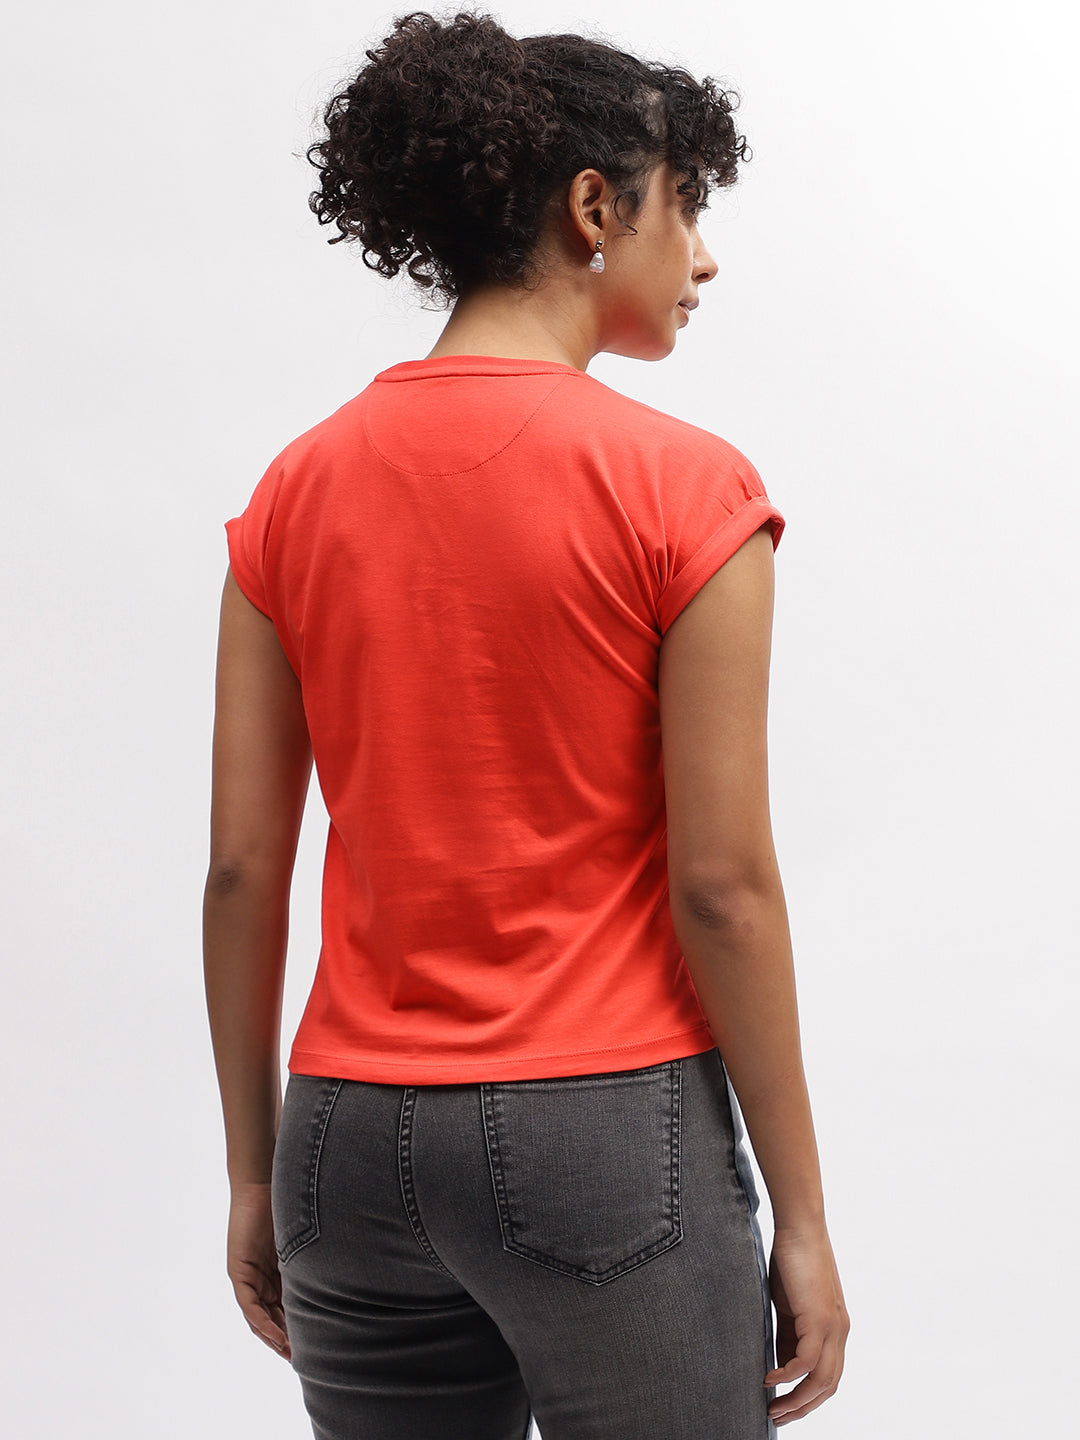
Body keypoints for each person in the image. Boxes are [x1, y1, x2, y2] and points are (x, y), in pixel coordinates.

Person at [203, 10, 849, 1438]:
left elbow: (243, 869)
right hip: (602, 1131)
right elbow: (724, 887)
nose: (705, 258)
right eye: (688, 207)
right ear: (594, 208)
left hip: (343, 1143)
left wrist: (254, 1173)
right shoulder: (687, 491)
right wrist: (801, 1218)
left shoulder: (291, 492)